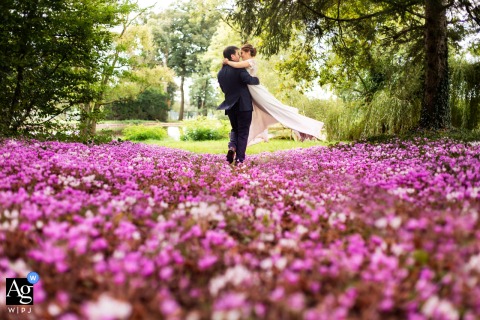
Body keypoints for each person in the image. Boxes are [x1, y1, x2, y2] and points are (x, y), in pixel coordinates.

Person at [223, 44, 326, 145]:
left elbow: (236, 65)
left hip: (257, 92)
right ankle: (241, 141)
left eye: (242, 53)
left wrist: (227, 61)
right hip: (252, 93)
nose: (241, 55)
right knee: (259, 114)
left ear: (248, 52)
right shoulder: (245, 62)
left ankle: (307, 127)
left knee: (277, 109)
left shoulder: (251, 61)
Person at [217, 46, 260, 165]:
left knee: (235, 130)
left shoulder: (220, 73)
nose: (239, 56)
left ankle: (232, 147)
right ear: (232, 56)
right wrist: (258, 80)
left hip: (230, 107)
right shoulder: (239, 69)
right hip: (243, 105)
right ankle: (240, 159)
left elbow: (223, 89)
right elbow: (249, 80)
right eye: (238, 54)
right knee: (243, 133)